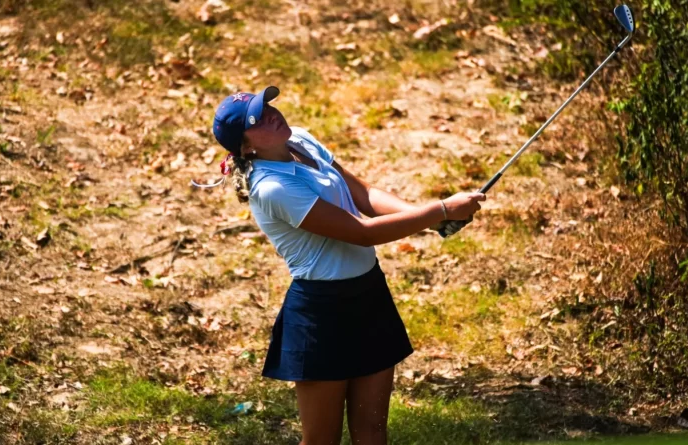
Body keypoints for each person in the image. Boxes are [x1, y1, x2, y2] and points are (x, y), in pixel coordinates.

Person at [208, 86, 485, 445]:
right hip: (321, 313)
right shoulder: (273, 187)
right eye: (257, 119)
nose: (272, 115)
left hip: (369, 293)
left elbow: (364, 195)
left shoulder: (302, 140)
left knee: (372, 432)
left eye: (267, 107)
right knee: (322, 440)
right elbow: (360, 232)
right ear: (246, 147)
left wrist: (427, 218)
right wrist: (441, 211)